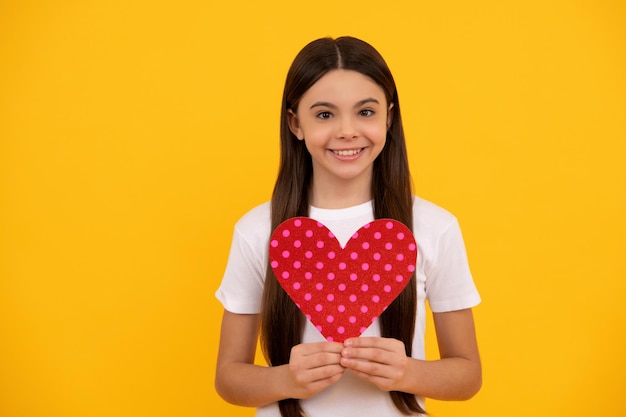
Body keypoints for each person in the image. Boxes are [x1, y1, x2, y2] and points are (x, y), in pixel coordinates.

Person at [214, 36, 481, 417]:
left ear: (389, 117)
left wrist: (406, 372)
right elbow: (228, 377)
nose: (347, 131)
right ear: (295, 124)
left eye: (366, 112)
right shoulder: (257, 230)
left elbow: (468, 375)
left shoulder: (434, 227)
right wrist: (287, 380)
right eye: (324, 115)